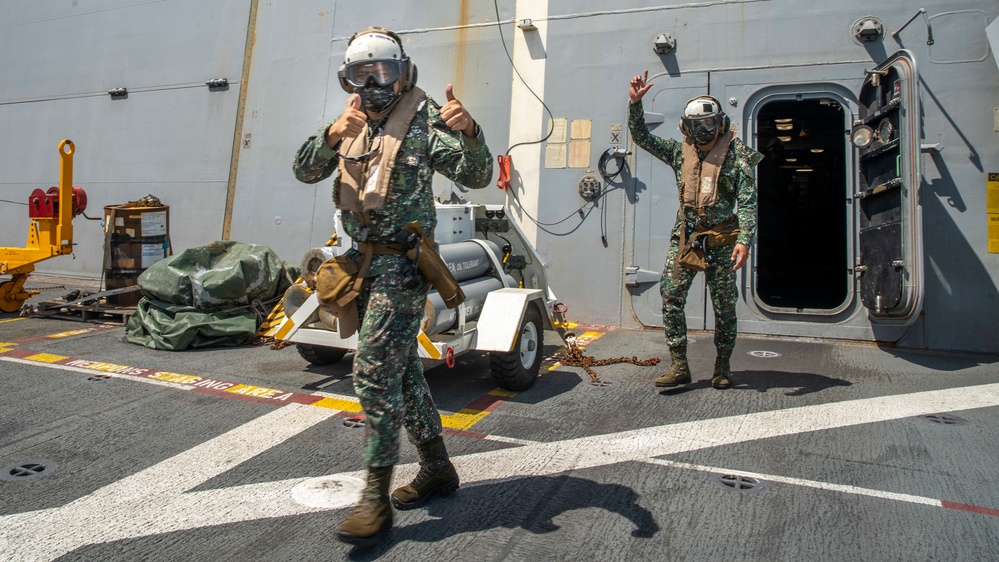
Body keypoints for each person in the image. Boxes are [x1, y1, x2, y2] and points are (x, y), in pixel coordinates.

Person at [293, 27, 493, 546]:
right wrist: (333, 136)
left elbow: (478, 174)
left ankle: (374, 498)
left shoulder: (425, 119)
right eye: (362, 74)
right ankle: (437, 469)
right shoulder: (351, 123)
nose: (374, 83)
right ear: (348, 79)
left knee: (375, 372)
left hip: (403, 267)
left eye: (383, 72)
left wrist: (471, 132)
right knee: (404, 375)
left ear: (402, 72)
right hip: (360, 266)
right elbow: (303, 169)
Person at [627, 70, 763, 390]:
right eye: (697, 126)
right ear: (687, 127)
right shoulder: (679, 152)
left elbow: (747, 202)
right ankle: (679, 365)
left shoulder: (735, 156)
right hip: (687, 239)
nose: (704, 131)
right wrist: (635, 103)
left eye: (709, 124)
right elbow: (642, 137)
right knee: (670, 295)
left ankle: (722, 367)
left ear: (720, 123)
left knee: (724, 306)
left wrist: (744, 240)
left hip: (721, 240)